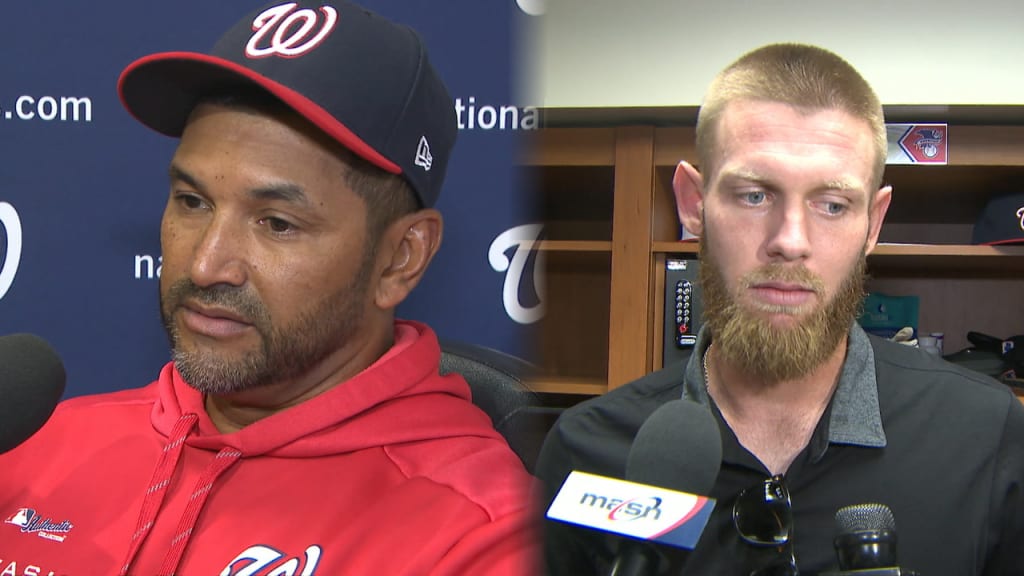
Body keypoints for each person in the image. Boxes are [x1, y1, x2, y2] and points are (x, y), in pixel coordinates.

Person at [0, 2, 538, 574]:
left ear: (399, 259)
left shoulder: (483, 537)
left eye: (277, 223)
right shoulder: (30, 442)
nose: (206, 265)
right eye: (192, 202)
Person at [536, 43, 1024, 575]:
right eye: (754, 196)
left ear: (873, 224)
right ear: (693, 204)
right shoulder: (587, 452)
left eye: (832, 205)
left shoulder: (986, 436)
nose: (790, 241)